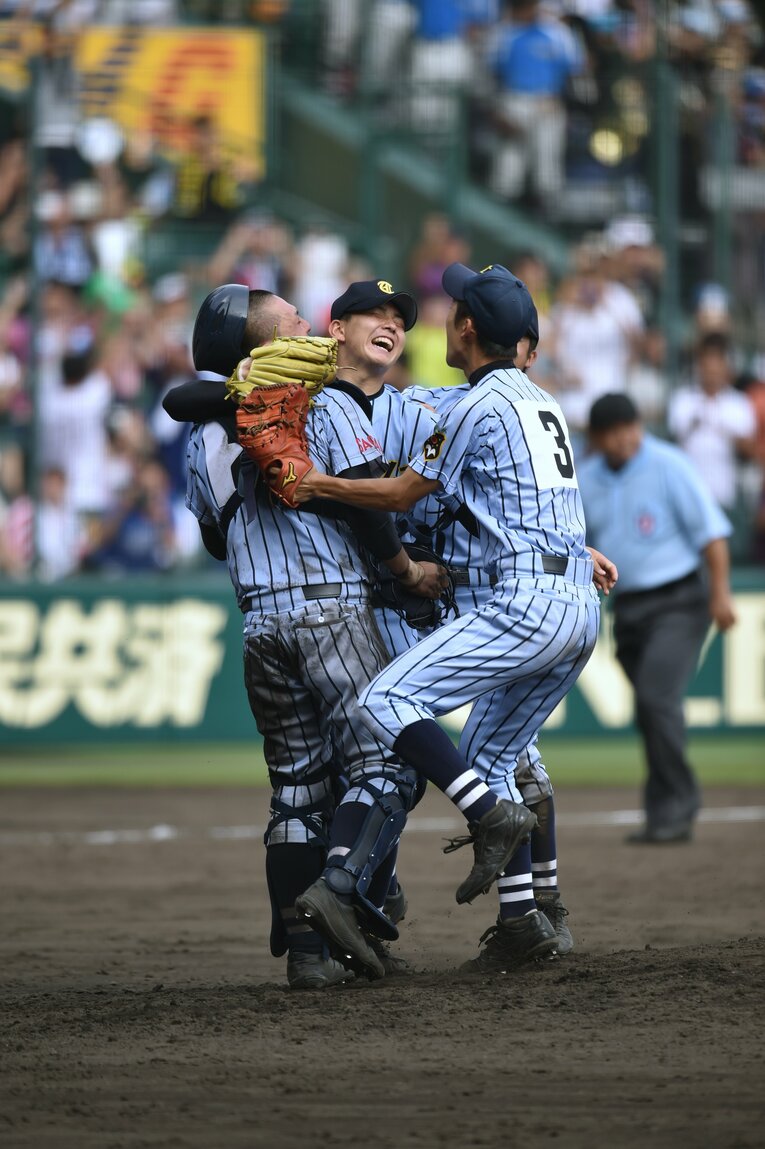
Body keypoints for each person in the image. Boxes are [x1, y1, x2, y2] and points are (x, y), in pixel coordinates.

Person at [291, 262, 605, 970]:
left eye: (450, 310)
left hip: (523, 599)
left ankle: (486, 818)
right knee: (494, 759)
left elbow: (401, 494)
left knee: (386, 699)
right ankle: (523, 921)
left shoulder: (471, 408)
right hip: (577, 601)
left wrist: (317, 485)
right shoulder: (539, 400)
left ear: (464, 328)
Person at [170, 284, 444, 987]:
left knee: (297, 789)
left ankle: (307, 954)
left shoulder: (199, 438)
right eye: (292, 318)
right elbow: (365, 504)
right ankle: (348, 893)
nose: (307, 323)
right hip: (329, 608)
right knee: (387, 764)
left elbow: (212, 537)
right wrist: (405, 569)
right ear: (264, 341)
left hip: (260, 620)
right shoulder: (313, 400)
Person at [577, 393, 737, 843]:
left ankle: (675, 808)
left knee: (655, 699)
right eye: (614, 431)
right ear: (597, 438)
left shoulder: (669, 464)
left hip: (679, 600)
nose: (626, 438)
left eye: (631, 427)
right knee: (653, 708)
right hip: (628, 608)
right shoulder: (585, 479)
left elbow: (713, 535)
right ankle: (666, 807)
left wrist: (721, 594)